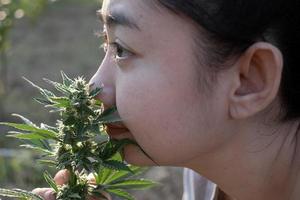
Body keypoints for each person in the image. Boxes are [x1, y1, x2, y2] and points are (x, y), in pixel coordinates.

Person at [33, 0, 300, 199]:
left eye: (122, 49)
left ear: (248, 81)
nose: (94, 86)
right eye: (107, 43)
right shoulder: (206, 177)